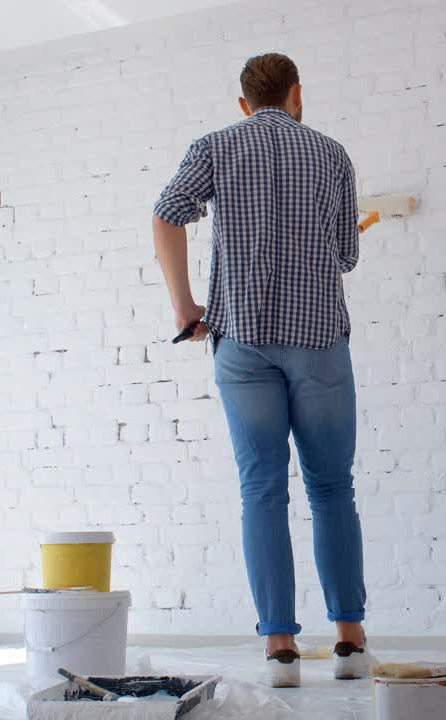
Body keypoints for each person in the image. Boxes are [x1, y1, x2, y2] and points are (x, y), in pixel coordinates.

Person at [152, 53, 371, 688]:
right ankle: (350, 643)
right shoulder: (332, 155)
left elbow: (167, 213)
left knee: (261, 492)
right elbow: (348, 256)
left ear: (244, 104)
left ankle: (280, 651)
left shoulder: (215, 146)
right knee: (332, 488)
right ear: (297, 94)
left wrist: (186, 307)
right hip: (319, 339)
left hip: (241, 341)